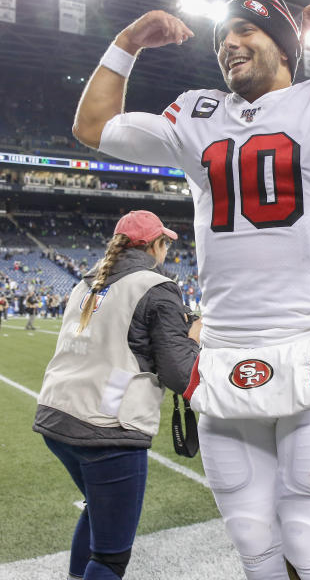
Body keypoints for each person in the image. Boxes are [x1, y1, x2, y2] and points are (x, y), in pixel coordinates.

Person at [72, 0, 310, 579]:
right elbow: (93, 125)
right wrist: (126, 45)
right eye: (223, 36)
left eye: (246, 30)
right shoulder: (196, 113)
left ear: (284, 44)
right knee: (255, 548)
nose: (229, 43)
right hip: (224, 351)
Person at [34, 210, 201, 580]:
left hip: (58, 414)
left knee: (97, 509)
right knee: (110, 558)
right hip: (107, 424)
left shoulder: (87, 281)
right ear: (155, 245)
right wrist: (195, 335)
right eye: (165, 244)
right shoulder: (155, 286)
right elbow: (180, 372)